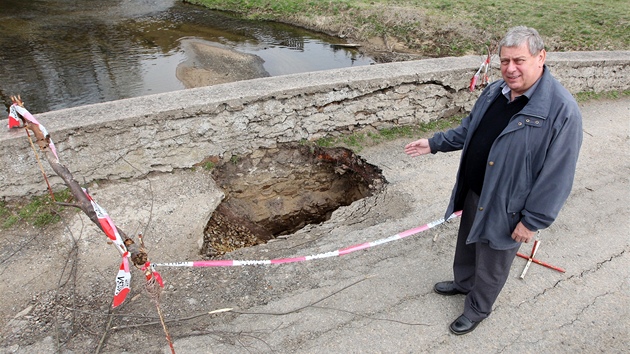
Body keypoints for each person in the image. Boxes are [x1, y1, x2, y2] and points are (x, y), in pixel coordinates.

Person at [404, 26, 582, 335]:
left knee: (493, 259)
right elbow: (469, 130)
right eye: (504, 61)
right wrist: (434, 143)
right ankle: (463, 283)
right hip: (477, 191)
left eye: (519, 60)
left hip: (510, 205)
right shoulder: (494, 91)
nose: (510, 69)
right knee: (468, 244)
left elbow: (558, 175)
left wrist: (532, 220)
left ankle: (477, 308)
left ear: (541, 58)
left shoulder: (562, 111)